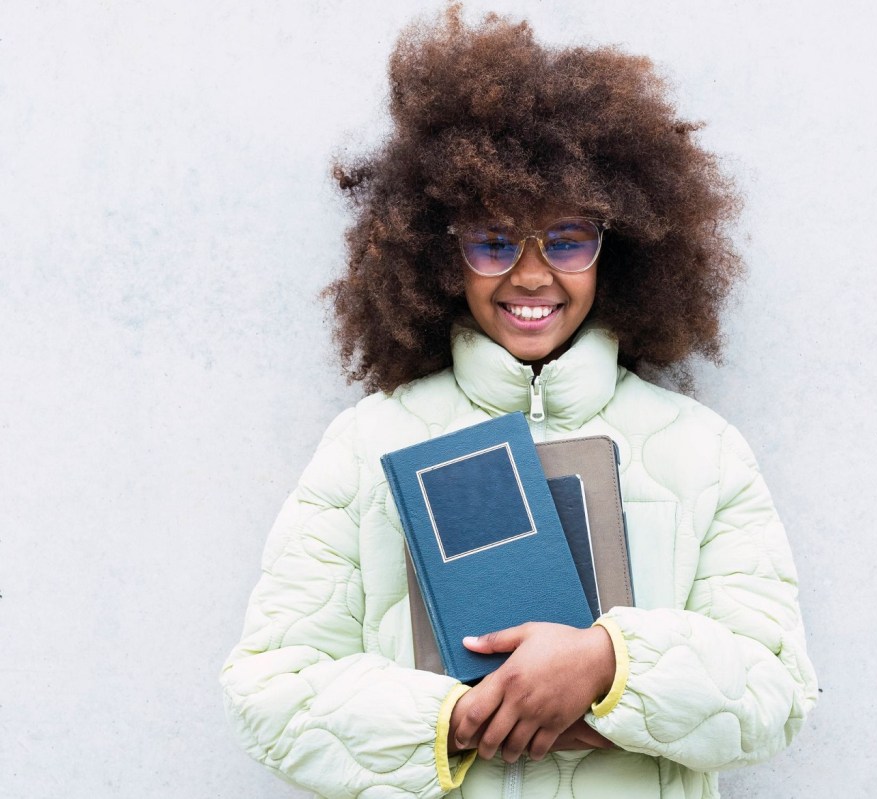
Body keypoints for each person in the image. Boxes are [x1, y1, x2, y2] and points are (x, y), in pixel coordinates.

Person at [221, 7, 817, 798]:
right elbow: (271, 690)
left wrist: (607, 665)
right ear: (440, 253)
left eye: (568, 239)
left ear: (623, 248)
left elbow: (775, 691)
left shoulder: (703, 450)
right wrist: (469, 718)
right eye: (494, 241)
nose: (533, 276)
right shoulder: (364, 443)